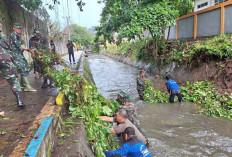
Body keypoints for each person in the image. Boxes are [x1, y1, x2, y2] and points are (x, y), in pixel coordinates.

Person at [0, 29, 26, 107]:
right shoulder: (2, 38)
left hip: (4, 58)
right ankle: (20, 101)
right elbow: (9, 49)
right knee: (13, 79)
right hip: (4, 59)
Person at [9, 23, 37, 92]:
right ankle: (27, 86)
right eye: (18, 28)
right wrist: (27, 49)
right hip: (15, 54)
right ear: (14, 28)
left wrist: (27, 49)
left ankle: (21, 85)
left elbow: (20, 45)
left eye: (20, 28)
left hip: (18, 54)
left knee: (24, 66)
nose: (19, 30)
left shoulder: (16, 36)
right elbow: (18, 45)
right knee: (23, 67)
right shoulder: (13, 35)